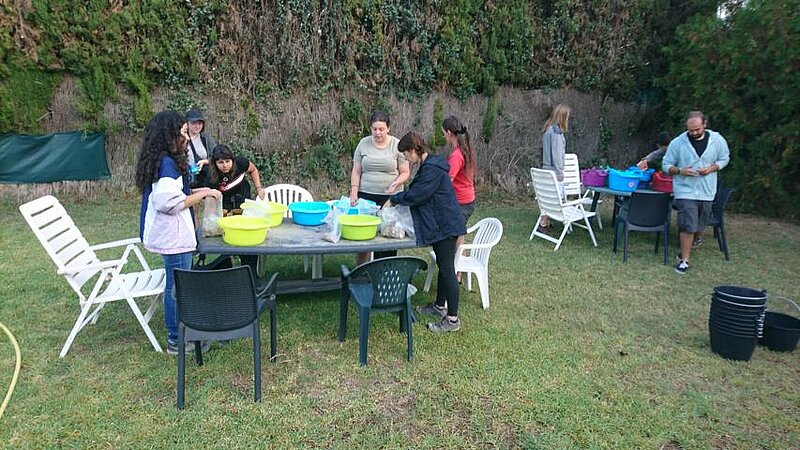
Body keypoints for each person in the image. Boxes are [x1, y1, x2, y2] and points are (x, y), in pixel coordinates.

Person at [136, 110, 221, 355]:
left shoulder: (164, 161)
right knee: (176, 288)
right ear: (170, 135)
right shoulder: (167, 164)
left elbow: (177, 194)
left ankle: (185, 332)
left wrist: (203, 189)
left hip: (173, 234)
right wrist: (203, 195)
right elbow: (169, 202)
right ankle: (177, 341)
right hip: (172, 237)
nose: (186, 137)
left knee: (178, 284)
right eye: (183, 132)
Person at [386, 131, 467, 333]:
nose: (406, 159)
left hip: (445, 225)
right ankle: (439, 306)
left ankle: (453, 319)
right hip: (441, 224)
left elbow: (417, 195)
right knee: (443, 266)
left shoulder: (432, 169)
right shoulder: (429, 165)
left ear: (413, 150)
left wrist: (394, 199)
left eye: (406, 154)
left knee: (447, 270)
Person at [662, 111, 730, 275]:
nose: (693, 133)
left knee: (700, 225)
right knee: (688, 225)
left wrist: (712, 168)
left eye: (697, 129)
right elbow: (666, 165)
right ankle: (684, 261)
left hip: (707, 190)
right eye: (690, 130)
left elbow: (724, 158)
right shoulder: (678, 143)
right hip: (685, 190)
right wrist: (680, 171)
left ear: (705, 124)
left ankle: (690, 244)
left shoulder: (717, 140)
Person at [349, 110, 410, 264]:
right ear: (370, 128)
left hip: (390, 198)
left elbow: (405, 172)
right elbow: (356, 171)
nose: (378, 133)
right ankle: (362, 270)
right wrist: (354, 191)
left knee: (388, 235)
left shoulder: (397, 145)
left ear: (388, 128)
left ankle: (385, 270)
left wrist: (396, 183)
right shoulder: (363, 144)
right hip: (366, 197)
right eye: (374, 129)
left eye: (381, 129)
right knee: (364, 237)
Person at [441, 115, 476, 282]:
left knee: (453, 240)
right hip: (467, 200)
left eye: (443, 132)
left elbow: (448, 181)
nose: (443, 136)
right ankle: (458, 272)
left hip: (461, 202)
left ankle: (455, 272)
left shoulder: (456, 155)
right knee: (459, 236)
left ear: (449, 133)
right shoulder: (467, 149)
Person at [537, 104, 571, 233]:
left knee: (547, 198)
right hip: (554, 171)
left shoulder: (548, 129)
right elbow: (556, 154)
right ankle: (543, 223)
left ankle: (545, 223)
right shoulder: (556, 131)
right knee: (556, 198)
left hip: (546, 169)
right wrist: (560, 171)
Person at [204, 144, 266, 211]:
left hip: (243, 196)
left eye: (227, 161)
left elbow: (253, 170)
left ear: (232, 160)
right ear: (215, 163)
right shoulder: (210, 176)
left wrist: (258, 188)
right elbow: (211, 199)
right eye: (220, 162)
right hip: (224, 202)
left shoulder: (240, 163)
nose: (225, 165)